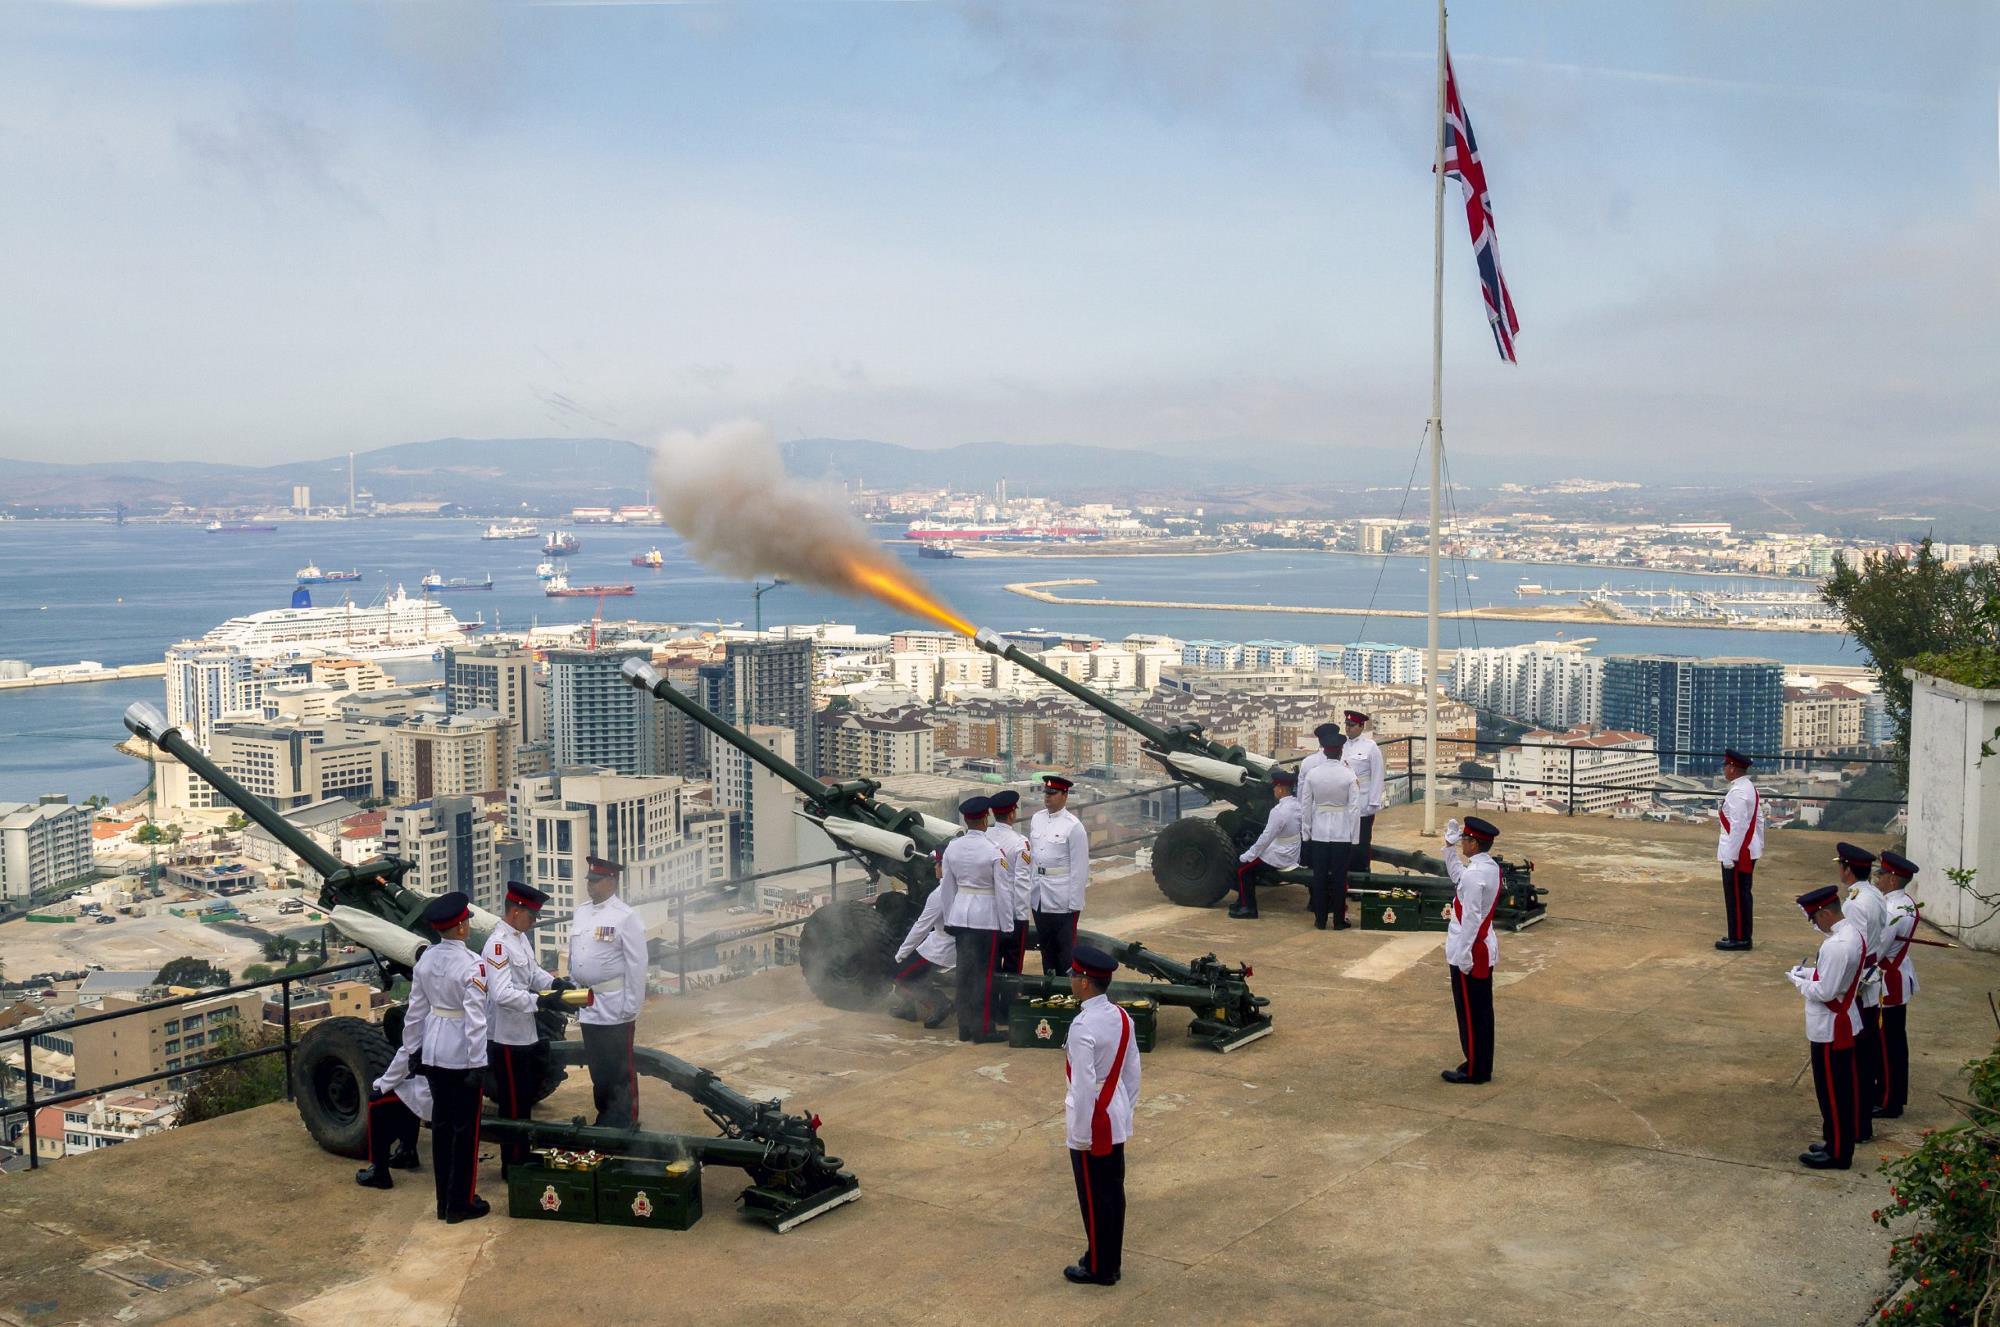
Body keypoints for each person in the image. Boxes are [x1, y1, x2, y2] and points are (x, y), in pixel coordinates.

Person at [403, 890, 489, 1222]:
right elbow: (476, 1020)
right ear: (462, 927)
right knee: (465, 1131)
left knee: (441, 1128)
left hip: (434, 1050)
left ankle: (444, 1202)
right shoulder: (472, 965)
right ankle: (461, 1203)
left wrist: (413, 1048)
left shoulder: (427, 959)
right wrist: (479, 1062)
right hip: (461, 1055)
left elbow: (415, 1011)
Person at [1062, 944, 1140, 1287]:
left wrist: (1080, 1134)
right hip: (1115, 1111)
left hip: (1091, 1120)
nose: (1072, 980)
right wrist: (1125, 1108)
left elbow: (1082, 1086)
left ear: (1083, 983)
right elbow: (1132, 1071)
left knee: (1093, 1197)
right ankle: (1108, 1258)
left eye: (1074, 976)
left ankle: (1099, 1267)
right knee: (1112, 1192)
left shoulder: (1082, 1026)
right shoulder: (1122, 1016)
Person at [482, 881, 572, 1173]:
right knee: (511, 1103)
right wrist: (541, 1003)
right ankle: (513, 1162)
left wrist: (554, 984)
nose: (533, 922)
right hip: (506, 1036)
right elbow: (501, 994)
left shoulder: (519, 939)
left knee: (524, 1099)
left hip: (525, 1033)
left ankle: (523, 1152)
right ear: (516, 911)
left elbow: (533, 973)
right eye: (531, 916)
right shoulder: (497, 946)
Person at [1788, 881, 1866, 1169]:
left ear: (1825, 914)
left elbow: (1825, 992)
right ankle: (1834, 1142)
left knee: (1833, 1093)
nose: (1815, 926)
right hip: (1841, 1022)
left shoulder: (1836, 945)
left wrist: (1799, 981)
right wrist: (1811, 973)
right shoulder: (1851, 934)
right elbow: (1833, 977)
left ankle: (1838, 1153)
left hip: (1832, 1027)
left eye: (1814, 920)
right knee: (1839, 1090)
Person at [568, 855, 648, 1129]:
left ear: (612, 882)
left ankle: (625, 1119)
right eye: (589, 881)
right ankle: (605, 1114)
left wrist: (631, 1005)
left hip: (615, 1004)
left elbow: (637, 964)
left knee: (620, 1067)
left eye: (597, 881)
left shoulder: (625, 917)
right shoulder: (581, 912)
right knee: (598, 1067)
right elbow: (575, 955)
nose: (591, 886)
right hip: (588, 1003)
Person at [939, 796, 1012, 1043]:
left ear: (966, 820)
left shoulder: (953, 847)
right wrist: (1008, 925)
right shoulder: (993, 850)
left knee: (964, 975)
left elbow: (947, 888)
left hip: (960, 915)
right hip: (986, 918)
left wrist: (949, 919)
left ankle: (964, 1028)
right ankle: (984, 1028)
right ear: (985, 819)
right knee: (986, 976)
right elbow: (1003, 891)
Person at [1441, 817, 1502, 1085]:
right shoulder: (1486, 868)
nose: (1462, 842)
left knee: (1471, 1013)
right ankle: (1478, 1063)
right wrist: (1448, 847)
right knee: (1480, 1012)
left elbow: (1472, 919)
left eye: (1464, 839)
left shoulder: (1476, 875)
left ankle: (1475, 1069)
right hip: (1480, 946)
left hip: (1471, 950)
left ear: (1474, 843)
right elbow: (1458, 878)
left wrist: (1464, 955)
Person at [1837, 843, 1887, 1143]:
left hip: (1860, 986)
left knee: (1856, 1061)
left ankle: (1858, 1126)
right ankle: (1861, 1121)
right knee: (1866, 1057)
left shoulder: (1855, 902)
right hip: (1873, 981)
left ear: (1847, 869)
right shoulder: (1874, 894)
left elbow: (1853, 947)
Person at [1874, 850, 1922, 1120]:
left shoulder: (1891, 909)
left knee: (1887, 1044)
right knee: (1893, 1041)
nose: (1878, 878)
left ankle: (1888, 1100)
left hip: (1887, 982)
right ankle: (1889, 1095)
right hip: (1897, 976)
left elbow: (1878, 950)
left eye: (1881, 874)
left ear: (1892, 879)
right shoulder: (1907, 903)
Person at [1028, 775, 1091, 976]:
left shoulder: (1073, 826)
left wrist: (1074, 904)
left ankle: (1068, 995)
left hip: (1062, 897)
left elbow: (1080, 868)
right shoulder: (1037, 819)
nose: (1047, 797)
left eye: (1053, 793)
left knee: (1065, 952)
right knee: (1046, 949)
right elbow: (1033, 858)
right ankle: (1050, 992)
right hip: (1039, 894)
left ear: (1065, 795)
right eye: (1046, 793)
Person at [1299, 730, 1362, 930]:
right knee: (1338, 878)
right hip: (1341, 832)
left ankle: (1319, 919)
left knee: (1319, 878)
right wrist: (1355, 838)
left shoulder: (1313, 774)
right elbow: (1354, 809)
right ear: (1340, 751)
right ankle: (1338, 920)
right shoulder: (1348, 775)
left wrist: (1306, 833)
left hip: (1318, 831)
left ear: (1325, 751)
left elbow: (1306, 806)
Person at [354, 1044, 429, 1190]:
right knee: (407, 1090)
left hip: (435, 1095)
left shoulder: (425, 1019)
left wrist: (382, 1083)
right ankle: (407, 1152)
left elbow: (408, 1050)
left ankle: (379, 1172)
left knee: (377, 1099)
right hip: (459, 1086)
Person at [1231, 768, 1301, 920]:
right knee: (1247, 865)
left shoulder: (1278, 811)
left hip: (1280, 856)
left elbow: (1265, 838)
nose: (1274, 790)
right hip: (1292, 852)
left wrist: (1248, 855)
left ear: (1281, 789)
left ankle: (1248, 908)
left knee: (1242, 869)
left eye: (1275, 787)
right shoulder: (1297, 805)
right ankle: (1241, 902)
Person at [891, 876, 958, 1030]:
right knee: (916, 970)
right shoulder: (965, 886)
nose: (935, 868)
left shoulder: (940, 893)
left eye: (937, 864)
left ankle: (938, 1003)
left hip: (942, 949)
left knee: (898, 975)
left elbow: (921, 927)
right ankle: (907, 1008)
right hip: (961, 945)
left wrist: (901, 954)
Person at [1714, 749, 1764, 951]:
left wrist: (1730, 856)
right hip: (1748, 849)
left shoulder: (1738, 793)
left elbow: (1738, 827)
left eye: (1726, 766)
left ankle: (1740, 938)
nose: (1724, 769)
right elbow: (1758, 820)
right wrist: (1759, 843)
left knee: (1735, 895)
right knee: (1741, 894)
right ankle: (1739, 934)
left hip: (1737, 853)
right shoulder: (1749, 788)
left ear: (1732, 768)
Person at [986, 789, 1033, 973]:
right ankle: (1009, 999)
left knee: (992, 962)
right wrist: (1022, 916)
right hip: (1013, 911)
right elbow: (1021, 882)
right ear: (1012, 813)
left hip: (989, 910)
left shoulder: (985, 836)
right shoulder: (1020, 843)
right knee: (1013, 964)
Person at [1341, 710, 1386, 871]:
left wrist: (1373, 802)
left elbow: (1377, 775)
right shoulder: (1341, 745)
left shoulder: (1370, 747)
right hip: (1344, 802)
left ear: (1361, 726)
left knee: (1361, 843)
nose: (1348, 728)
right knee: (1344, 842)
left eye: (1352, 725)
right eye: (1346, 725)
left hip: (1362, 802)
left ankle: (1361, 876)